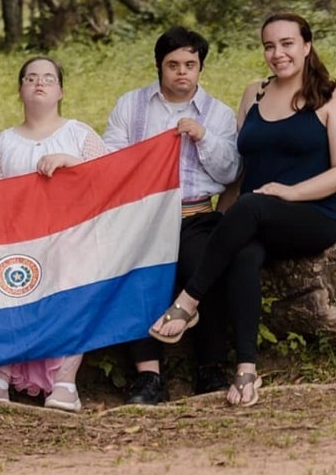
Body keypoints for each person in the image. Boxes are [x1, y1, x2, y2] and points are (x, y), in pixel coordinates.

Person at [149, 12, 336, 407]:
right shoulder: (254, 94)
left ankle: (187, 302)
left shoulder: (330, 99)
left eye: (287, 43)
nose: (277, 53)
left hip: (313, 213)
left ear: (307, 46)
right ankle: (246, 370)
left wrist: (291, 193)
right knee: (243, 254)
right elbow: (239, 169)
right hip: (255, 213)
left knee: (253, 208)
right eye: (269, 45)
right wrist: (226, 218)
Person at [103, 26, 240, 405]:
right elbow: (112, 160)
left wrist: (203, 137)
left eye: (190, 64)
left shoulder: (218, 114)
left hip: (195, 214)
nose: (182, 72)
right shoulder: (131, 106)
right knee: (135, 273)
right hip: (142, 217)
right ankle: (149, 377)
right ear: (159, 67)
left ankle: (210, 368)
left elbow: (230, 172)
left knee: (206, 266)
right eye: (173, 64)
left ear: (201, 68)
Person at [0, 56, 108, 413]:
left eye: (48, 78)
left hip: (71, 239)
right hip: (18, 240)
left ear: (61, 90)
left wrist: (69, 162)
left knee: (73, 274)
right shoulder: (2, 143)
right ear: (20, 90)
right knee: (7, 277)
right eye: (30, 78)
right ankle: (0, 378)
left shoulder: (79, 134)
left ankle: (65, 383)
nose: (39, 83)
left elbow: (108, 181)